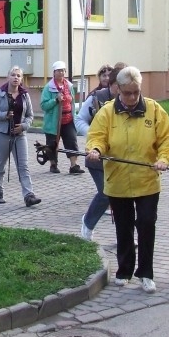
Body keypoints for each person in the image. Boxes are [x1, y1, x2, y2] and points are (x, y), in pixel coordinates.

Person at [86, 66, 169, 294]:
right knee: (124, 227)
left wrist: (164, 159)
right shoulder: (107, 112)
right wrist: (96, 149)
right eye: (127, 93)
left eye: (135, 92)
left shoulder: (154, 110)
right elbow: (97, 136)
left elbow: (167, 139)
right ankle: (124, 270)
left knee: (147, 224)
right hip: (118, 181)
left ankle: (146, 273)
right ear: (118, 89)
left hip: (147, 181)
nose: (131, 97)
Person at [75, 64, 125, 240]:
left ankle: (125, 235)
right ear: (111, 84)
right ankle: (87, 224)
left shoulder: (131, 101)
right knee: (106, 193)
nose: (122, 91)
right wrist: (95, 136)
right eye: (118, 86)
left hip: (120, 159)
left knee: (122, 198)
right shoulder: (97, 98)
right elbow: (79, 119)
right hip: (97, 157)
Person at [0, 66, 41, 207]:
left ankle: (29, 195)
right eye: (13, 75)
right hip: (2, 134)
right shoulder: (0, 94)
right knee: (0, 165)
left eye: (18, 75)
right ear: (8, 77)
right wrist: (3, 116)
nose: (16, 78)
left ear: (21, 79)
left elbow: (30, 116)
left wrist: (24, 126)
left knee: (23, 166)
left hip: (20, 135)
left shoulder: (24, 95)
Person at [41, 60, 85, 174]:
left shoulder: (69, 86)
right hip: (54, 121)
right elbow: (44, 105)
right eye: (58, 71)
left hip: (68, 119)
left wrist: (74, 115)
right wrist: (55, 100)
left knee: (71, 140)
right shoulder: (48, 88)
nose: (61, 73)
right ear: (54, 72)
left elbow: (72, 101)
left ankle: (74, 165)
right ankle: (53, 165)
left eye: (63, 70)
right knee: (52, 143)